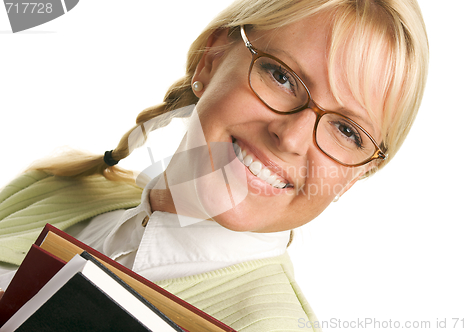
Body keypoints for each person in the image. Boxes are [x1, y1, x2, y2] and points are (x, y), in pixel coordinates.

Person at [0, 0, 429, 330]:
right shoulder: (48, 189)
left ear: (356, 175)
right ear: (212, 59)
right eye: (282, 77)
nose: (293, 138)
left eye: (347, 131)